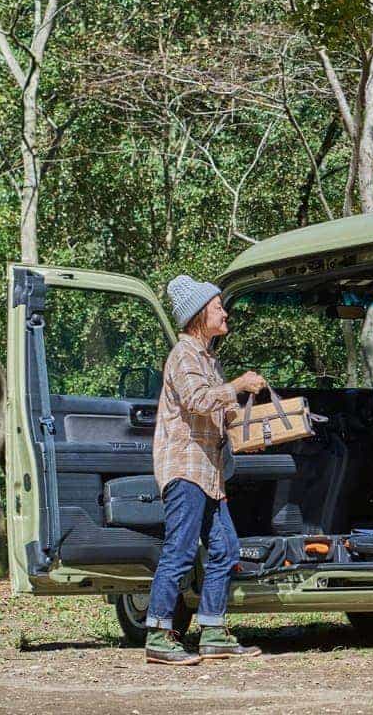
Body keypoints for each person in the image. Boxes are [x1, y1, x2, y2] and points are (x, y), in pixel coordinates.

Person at [144, 275, 267, 665]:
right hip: (186, 468)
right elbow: (197, 400)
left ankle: (212, 632)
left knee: (226, 548)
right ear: (199, 315)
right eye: (218, 307)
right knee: (180, 550)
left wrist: (246, 433)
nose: (225, 313)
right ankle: (158, 635)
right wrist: (239, 384)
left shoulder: (208, 360)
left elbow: (220, 411)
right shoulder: (184, 355)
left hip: (210, 473)